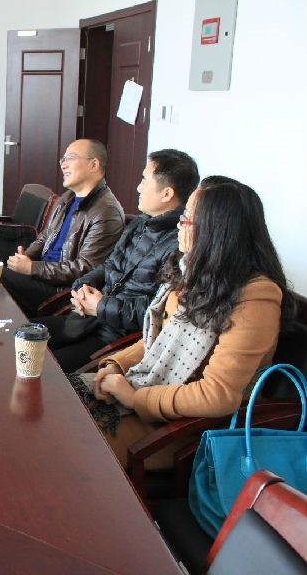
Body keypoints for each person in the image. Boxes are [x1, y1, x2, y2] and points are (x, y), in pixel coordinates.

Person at [69, 176, 294, 469]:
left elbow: (217, 395)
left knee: (69, 438)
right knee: (57, 401)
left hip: (186, 430)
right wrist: (116, 366)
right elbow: (155, 342)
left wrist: (136, 398)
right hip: (154, 395)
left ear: (218, 231)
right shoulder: (191, 274)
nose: (179, 224)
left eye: (188, 219)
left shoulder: (255, 296)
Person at [34, 149, 200, 371]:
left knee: (41, 367)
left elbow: (157, 311)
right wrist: (83, 287)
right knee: (20, 335)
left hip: (114, 338)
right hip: (87, 320)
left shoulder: (178, 245)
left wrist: (101, 306)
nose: (138, 187)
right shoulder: (140, 223)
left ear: (167, 194)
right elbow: (108, 265)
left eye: (144, 180)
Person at [0, 139, 124, 316]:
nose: (63, 165)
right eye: (63, 160)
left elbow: (86, 268)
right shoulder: (68, 198)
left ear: (94, 165)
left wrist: (32, 268)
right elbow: (46, 236)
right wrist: (26, 257)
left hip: (60, 291)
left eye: (70, 158)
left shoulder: (106, 211)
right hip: (42, 275)